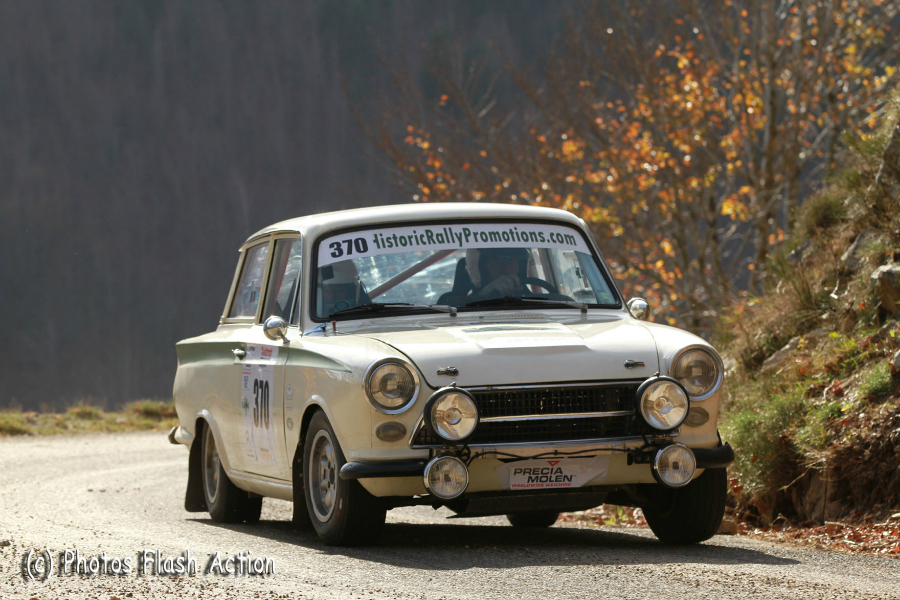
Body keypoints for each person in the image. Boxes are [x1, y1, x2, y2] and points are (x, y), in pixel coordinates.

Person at [466, 247, 531, 299]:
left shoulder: (535, 300)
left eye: (511, 262)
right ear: (484, 267)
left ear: (521, 266)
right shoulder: (466, 305)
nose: (506, 269)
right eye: (499, 263)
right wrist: (485, 294)